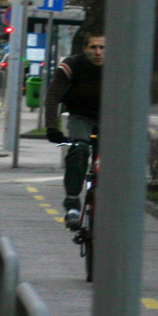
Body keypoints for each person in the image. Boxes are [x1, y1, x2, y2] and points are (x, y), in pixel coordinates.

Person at [44, 30, 104, 228]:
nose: (98, 52)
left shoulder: (120, 67)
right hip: (81, 116)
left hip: (110, 119)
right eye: (93, 47)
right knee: (79, 149)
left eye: (102, 48)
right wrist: (52, 127)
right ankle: (72, 205)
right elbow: (53, 97)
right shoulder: (72, 66)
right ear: (85, 48)